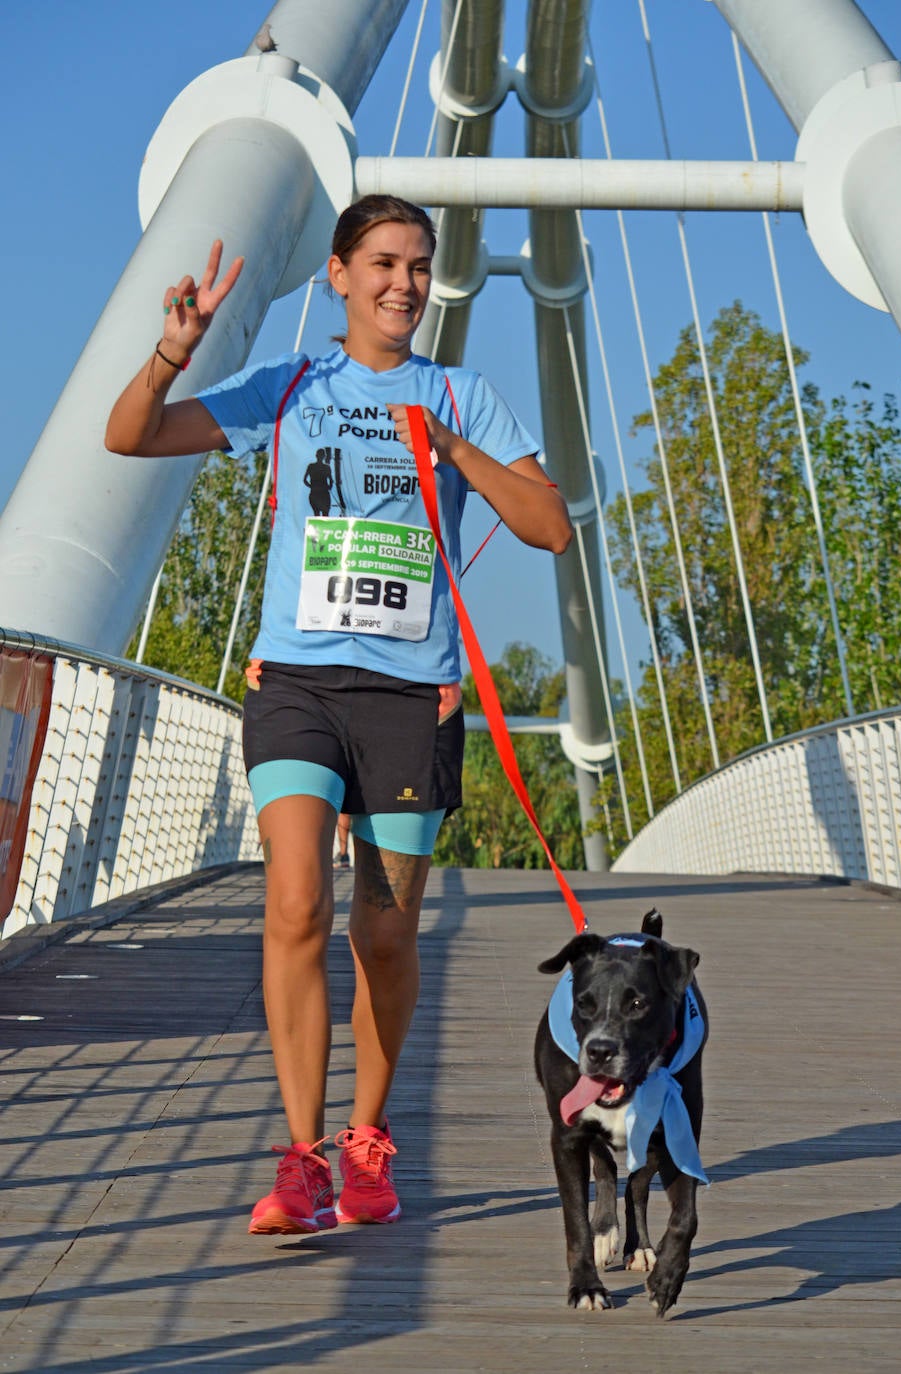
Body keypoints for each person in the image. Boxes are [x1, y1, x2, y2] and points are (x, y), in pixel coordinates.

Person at [106, 195, 572, 1236]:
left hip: (412, 702)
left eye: (417, 267)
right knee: (296, 907)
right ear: (337, 275)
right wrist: (171, 353)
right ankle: (301, 1157)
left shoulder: (459, 393)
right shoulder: (293, 388)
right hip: (298, 691)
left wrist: (452, 451)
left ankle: (367, 1139)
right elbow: (128, 435)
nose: (401, 284)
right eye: (381, 263)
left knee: (386, 935)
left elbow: (549, 528)